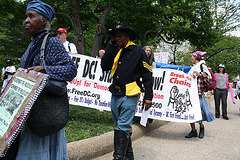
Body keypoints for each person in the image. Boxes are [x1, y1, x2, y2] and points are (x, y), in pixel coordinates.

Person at [1, 1, 77, 160]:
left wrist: (44, 69)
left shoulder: (52, 41)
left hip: (44, 113)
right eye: (25, 17)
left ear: (44, 21)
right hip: (28, 113)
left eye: (31, 16)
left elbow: (71, 70)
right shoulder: (33, 44)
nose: (26, 20)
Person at [101, 22, 153, 159]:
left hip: (131, 92)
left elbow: (147, 75)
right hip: (116, 92)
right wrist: (111, 47)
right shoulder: (115, 50)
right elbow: (104, 66)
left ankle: (117, 157)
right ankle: (129, 156)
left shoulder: (138, 51)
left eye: (121, 36)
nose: (118, 38)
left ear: (128, 36)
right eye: (116, 36)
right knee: (120, 126)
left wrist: (149, 97)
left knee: (123, 125)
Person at [185, 49, 215, 139]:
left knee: (200, 112)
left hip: (199, 93)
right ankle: (193, 130)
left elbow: (209, 77)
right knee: (191, 112)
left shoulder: (202, 66)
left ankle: (201, 127)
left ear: (196, 57)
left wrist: (200, 74)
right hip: (191, 93)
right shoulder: (192, 67)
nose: (191, 58)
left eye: (192, 56)